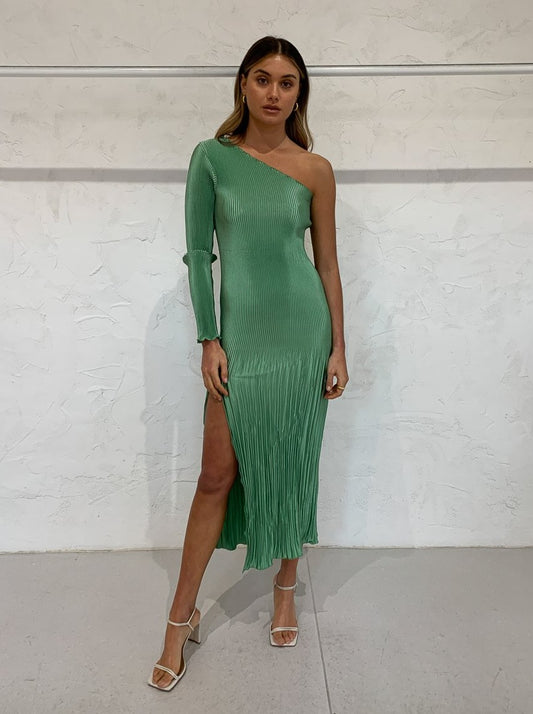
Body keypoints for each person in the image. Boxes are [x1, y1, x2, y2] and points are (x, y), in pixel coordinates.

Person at [148, 35, 348, 692]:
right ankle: (179, 619)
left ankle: (285, 588)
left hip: (302, 334)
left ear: (299, 94)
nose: (273, 93)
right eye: (262, 78)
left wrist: (338, 346)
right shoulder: (212, 158)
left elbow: (325, 264)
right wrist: (209, 338)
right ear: (242, 84)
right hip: (238, 338)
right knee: (215, 476)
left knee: (292, 460)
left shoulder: (315, 169)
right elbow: (198, 255)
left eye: (287, 82)